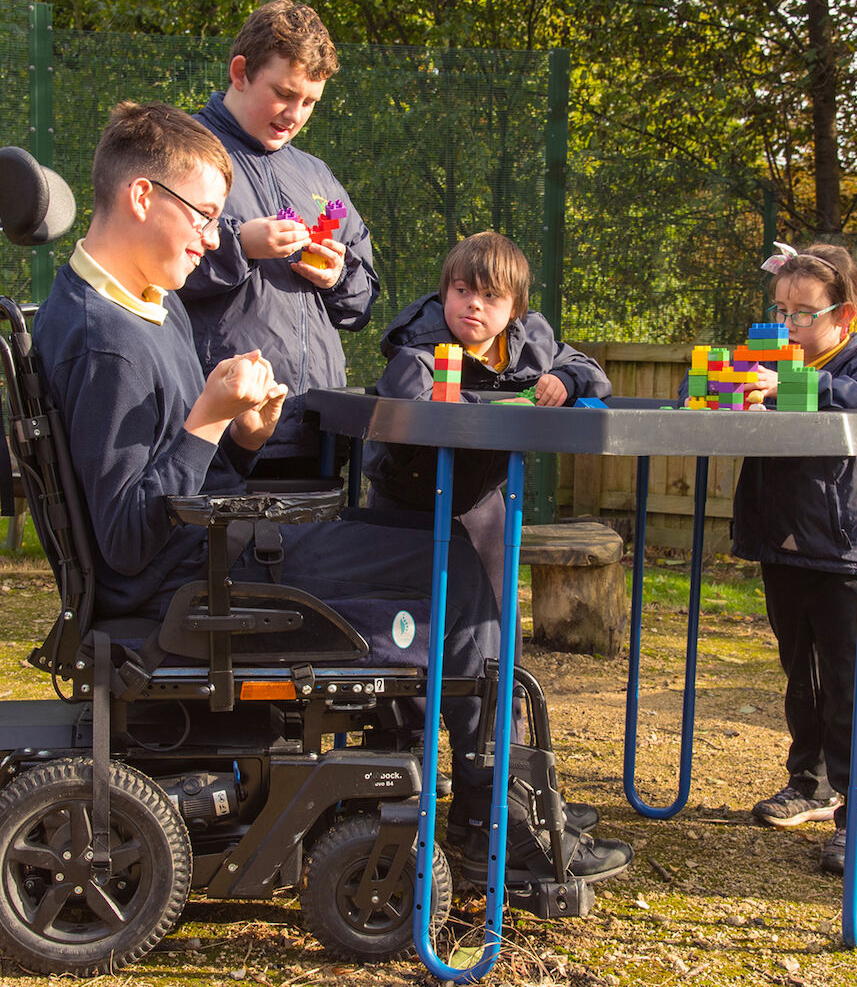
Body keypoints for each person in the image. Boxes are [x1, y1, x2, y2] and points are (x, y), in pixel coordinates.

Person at [32, 100, 632, 886]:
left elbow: (166, 485)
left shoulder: (141, 303)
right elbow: (128, 541)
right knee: (460, 585)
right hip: (191, 578)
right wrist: (210, 423)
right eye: (205, 216)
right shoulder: (107, 342)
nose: (214, 238)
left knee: (446, 558)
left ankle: (491, 801)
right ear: (143, 197)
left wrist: (239, 438)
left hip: (216, 545)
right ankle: (496, 830)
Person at [362, 230, 612, 845]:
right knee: (411, 648)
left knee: (493, 650)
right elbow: (414, 412)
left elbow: (590, 372)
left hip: (481, 509)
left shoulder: (531, 343)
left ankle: (502, 788)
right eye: (461, 290)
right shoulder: (419, 349)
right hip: (409, 514)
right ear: (444, 292)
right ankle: (408, 781)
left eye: (490, 296)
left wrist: (565, 384)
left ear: (515, 309)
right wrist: (511, 403)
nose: (472, 305)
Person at [732, 242, 857, 873]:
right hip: (784, 549)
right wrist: (737, 399)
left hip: (844, 556)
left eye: (803, 313)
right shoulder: (769, 368)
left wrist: (792, 385)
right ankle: (809, 782)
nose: (788, 326)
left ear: (845, 316)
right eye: (781, 310)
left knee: (849, 688)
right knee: (798, 677)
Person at [180, 0, 379, 478]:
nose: (294, 113)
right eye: (284, 93)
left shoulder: (316, 175)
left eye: (309, 102)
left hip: (317, 429)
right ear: (240, 72)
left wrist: (339, 275)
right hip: (224, 431)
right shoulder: (183, 152)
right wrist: (239, 246)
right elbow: (147, 268)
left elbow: (364, 299)